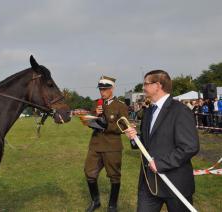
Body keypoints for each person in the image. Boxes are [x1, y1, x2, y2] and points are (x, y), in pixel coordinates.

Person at [124, 70, 199, 212]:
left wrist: (161, 163)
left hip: (176, 185)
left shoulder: (180, 111)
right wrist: (135, 138)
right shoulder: (148, 111)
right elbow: (147, 142)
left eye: (145, 84)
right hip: (149, 185)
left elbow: (190, 147)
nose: (143, 88)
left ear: (157, 85)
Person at [84, 76, 128, 212]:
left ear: (112, 89)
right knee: (89, 172)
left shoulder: (120, 105)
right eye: (101, 89)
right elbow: (88, 121)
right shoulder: (96, 103)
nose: (102, 92)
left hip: (112, 146)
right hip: (96, 144)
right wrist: (94, 116)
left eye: (105, 89)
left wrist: (107, 125)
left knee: (114, 176)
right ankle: (95, 201)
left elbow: (123, 126)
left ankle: (112, 205)